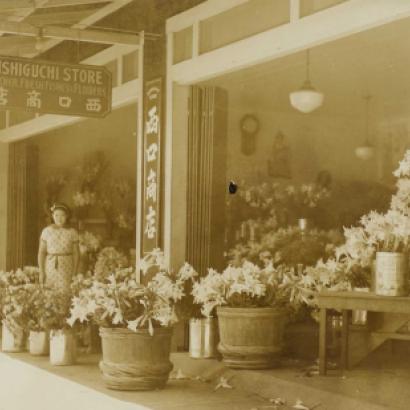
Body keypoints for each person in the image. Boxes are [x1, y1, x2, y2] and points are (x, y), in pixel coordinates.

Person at [38, 203, 79, 294]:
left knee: (65, 292)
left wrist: (75, 271)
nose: (59, 218)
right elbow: (41, 252)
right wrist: (41, 271)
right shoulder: (46, 231)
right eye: (56, 215)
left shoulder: (72, 232)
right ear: (52, 216)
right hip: (50, 266)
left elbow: (76, 253)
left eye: (62, 215)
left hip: (67, 266)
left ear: (67, 216)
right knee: (49, 293)